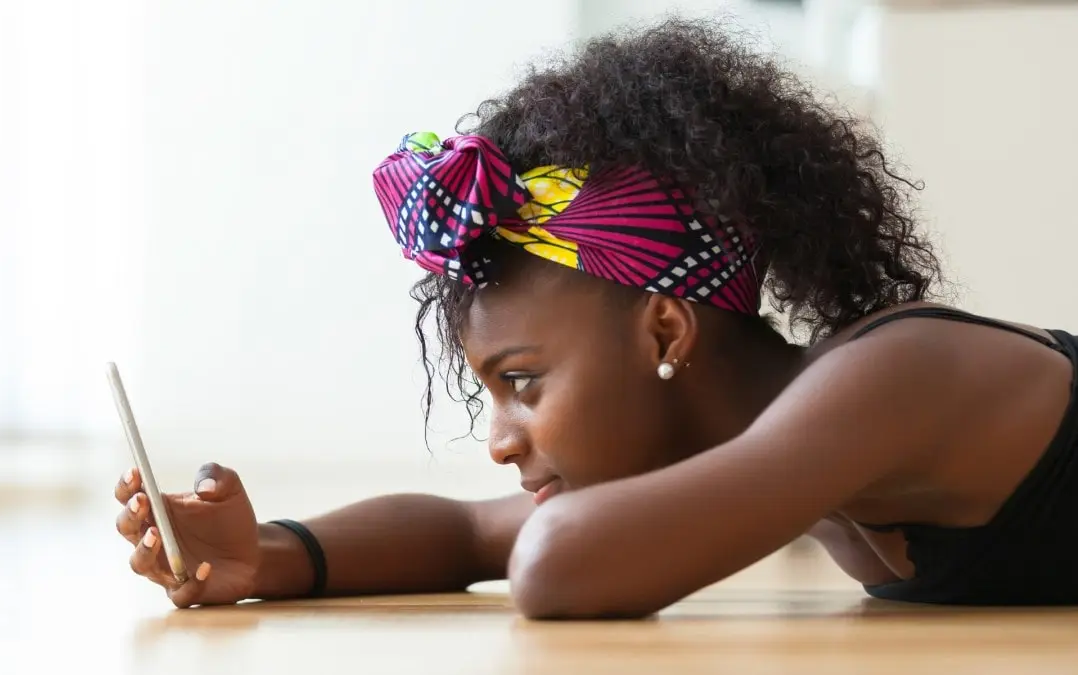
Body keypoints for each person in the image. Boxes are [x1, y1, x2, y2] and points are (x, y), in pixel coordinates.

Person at [114, 18, 1078, 618]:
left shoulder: (893, 378)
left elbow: (554, 562)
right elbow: (464, 534)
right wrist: (269, 555)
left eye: (521, 381)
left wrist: (539, 537)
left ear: (666, 331)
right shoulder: (785, 445)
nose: (498, 439)